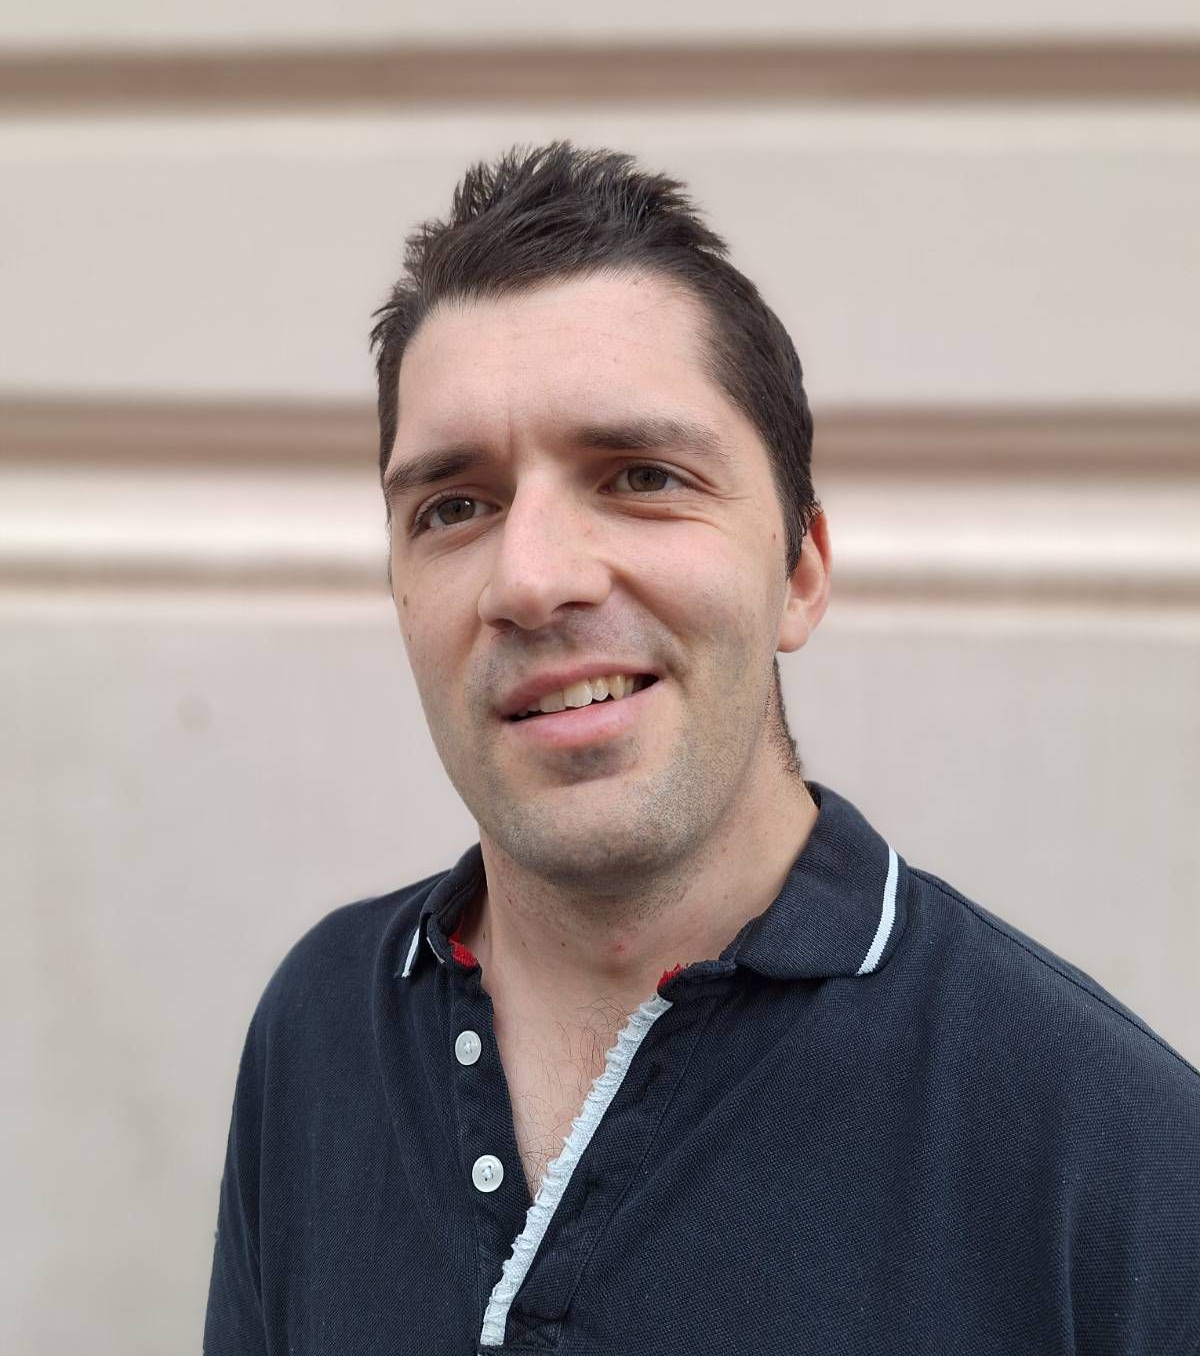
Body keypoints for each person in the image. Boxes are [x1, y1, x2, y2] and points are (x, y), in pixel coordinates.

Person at [204, 141, 1200, 1355]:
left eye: (641, 475)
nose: (531, 579)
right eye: (454, 506)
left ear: (800, 571)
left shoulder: (1118, 1162)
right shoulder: (320, 1029)